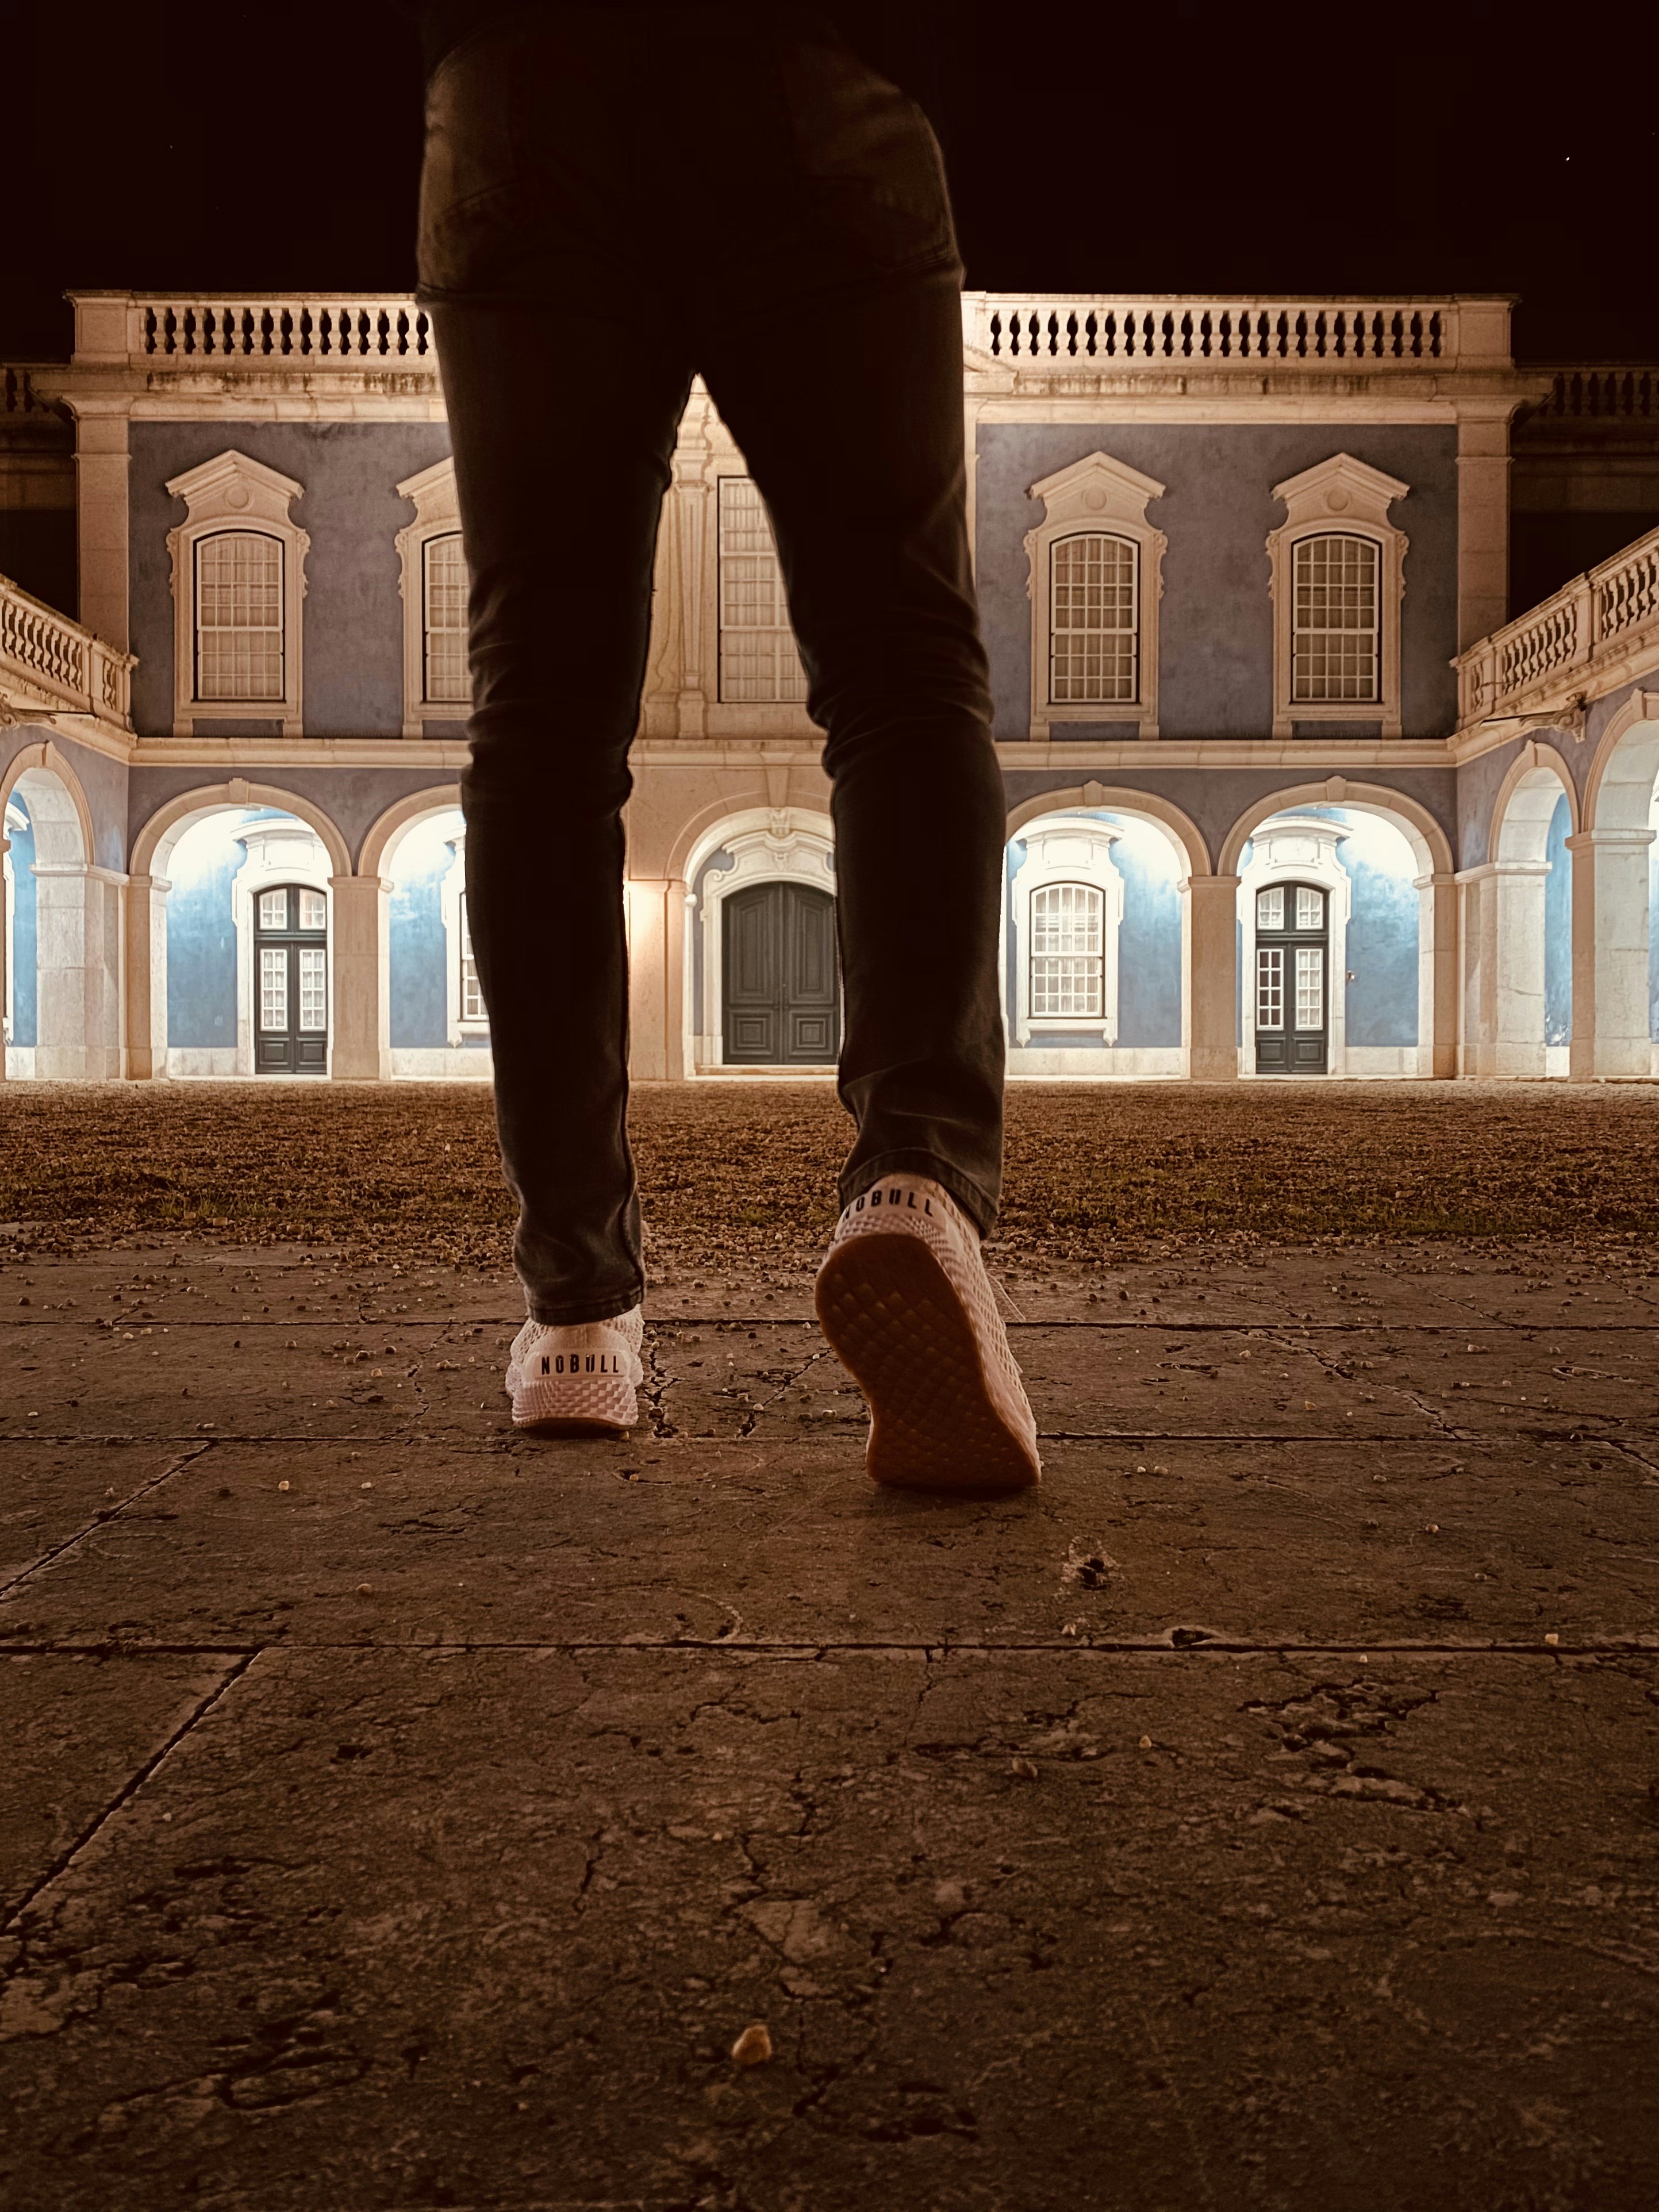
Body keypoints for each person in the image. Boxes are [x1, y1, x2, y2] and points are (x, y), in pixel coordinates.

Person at [411, 0, 1040, 1492]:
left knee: (540, 723)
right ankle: (918, 1183)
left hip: (525, 105)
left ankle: (577, 1314)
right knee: (902, 670)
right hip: (813, 89)